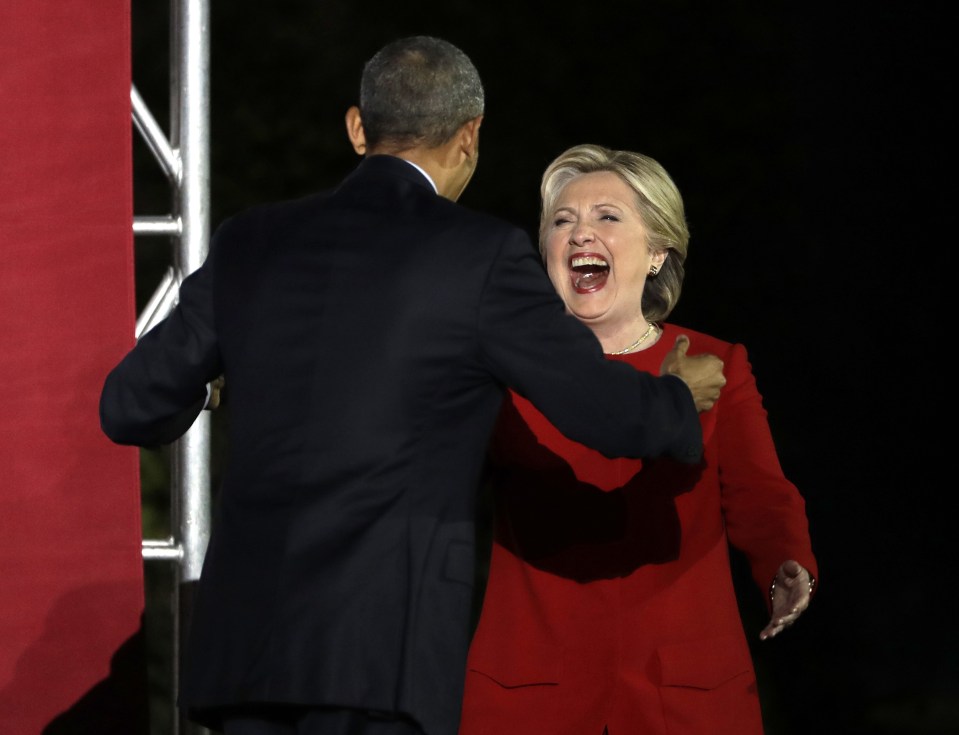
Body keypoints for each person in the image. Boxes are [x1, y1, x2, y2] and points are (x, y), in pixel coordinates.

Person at [99, 39, 726, 735]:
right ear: (470, 135)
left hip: (245, 657)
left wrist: (215, 386)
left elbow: (129, 404)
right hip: (380, 658)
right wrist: (676, 393)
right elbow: (604, 412)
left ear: (357, 128)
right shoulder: (479, 256)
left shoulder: (253, 240)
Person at [459, 144, 818, 735]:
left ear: (657, 252)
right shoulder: (501, 371)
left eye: (607, 216)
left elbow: (759, 491)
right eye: (562, 221)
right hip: (530, 696)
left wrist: (785, 559)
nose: (579, 235)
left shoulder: (716, 362)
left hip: (683, 698)